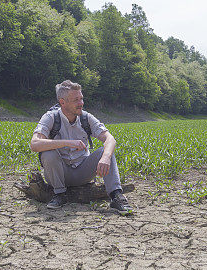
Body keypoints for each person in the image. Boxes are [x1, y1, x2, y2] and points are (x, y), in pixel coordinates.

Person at [30, 80, 132, 214]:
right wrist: (68, 142)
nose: (81, 103)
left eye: (81, 98)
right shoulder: (50, 117)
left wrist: (106, 157)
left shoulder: (86, 118)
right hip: (59, 174)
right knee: (48, 153)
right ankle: (59, 195)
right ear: (62, 102)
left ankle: (116, 196)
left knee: (106, 151)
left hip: (82, 172)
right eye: (76, 100)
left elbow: (110, 139)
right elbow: (34, 144)